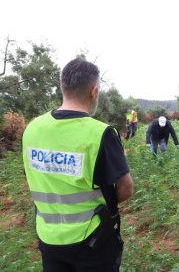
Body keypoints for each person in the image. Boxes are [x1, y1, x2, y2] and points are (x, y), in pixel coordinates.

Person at [22, 58, 134, 271]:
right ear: (94, 91)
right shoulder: (100, 133)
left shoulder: (32, 129)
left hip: (48, 239)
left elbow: (34, 175)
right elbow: (126, 189)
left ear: (63, 87)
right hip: (93, 241)